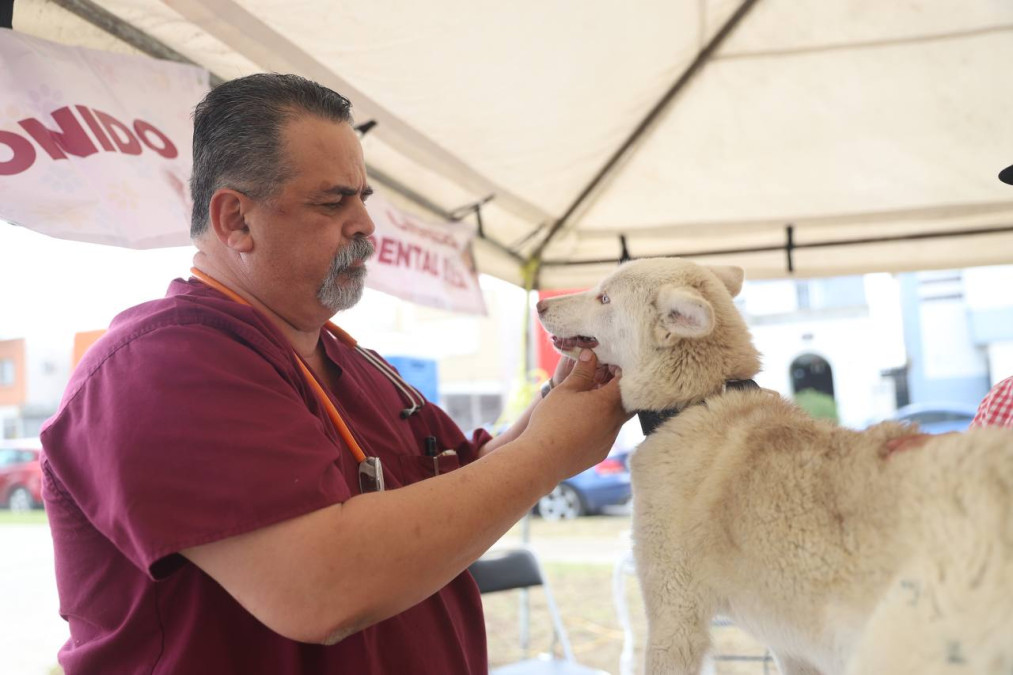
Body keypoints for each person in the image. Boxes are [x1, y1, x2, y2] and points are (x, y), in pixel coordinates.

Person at [40, 73, 630, 674]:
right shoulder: (161, 363)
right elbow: (321, 589)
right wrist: (553, 450)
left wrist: (572, 389)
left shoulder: (360, 367)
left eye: (363, 199)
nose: (366, 226)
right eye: (333, 201)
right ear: (235, 220)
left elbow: (470, 488)